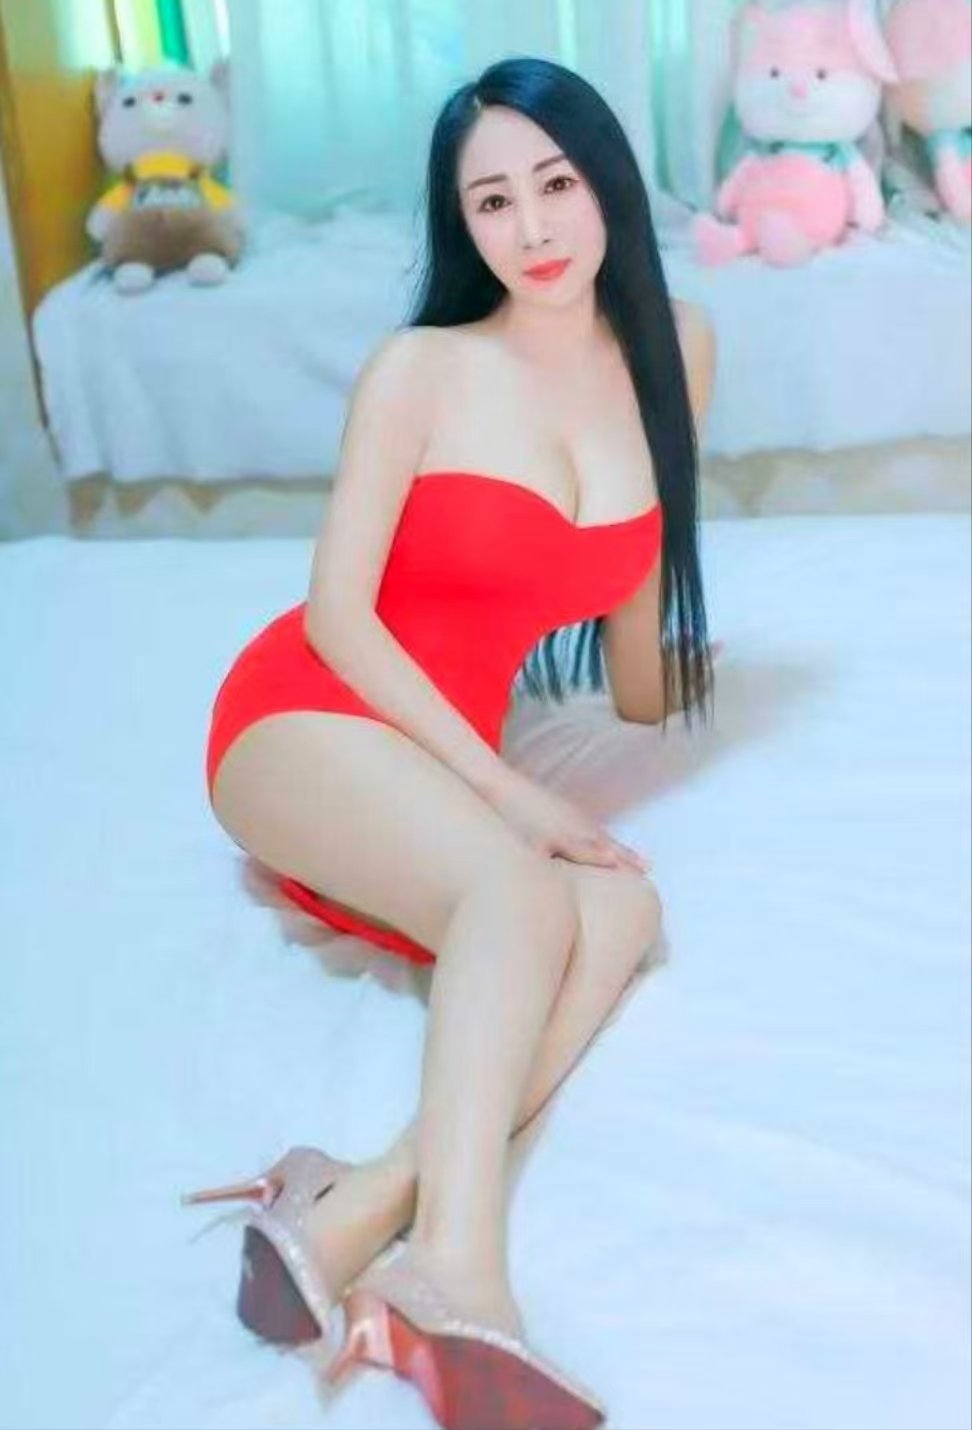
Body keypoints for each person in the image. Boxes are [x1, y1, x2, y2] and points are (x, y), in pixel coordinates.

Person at [183, 54, 718, 1430]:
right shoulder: (421, 368)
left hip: (432, 772)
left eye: (556, 183)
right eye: (491, 202)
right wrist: (508, 793)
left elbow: (639, 621)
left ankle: (353, 1205)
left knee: (624, 906)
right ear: (461, 225)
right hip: (309, 715)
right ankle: (458, 1271)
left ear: (608, 182)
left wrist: (671, 690)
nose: (532, 228)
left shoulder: (680, 350)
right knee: (523, 889)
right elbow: (338, 616)